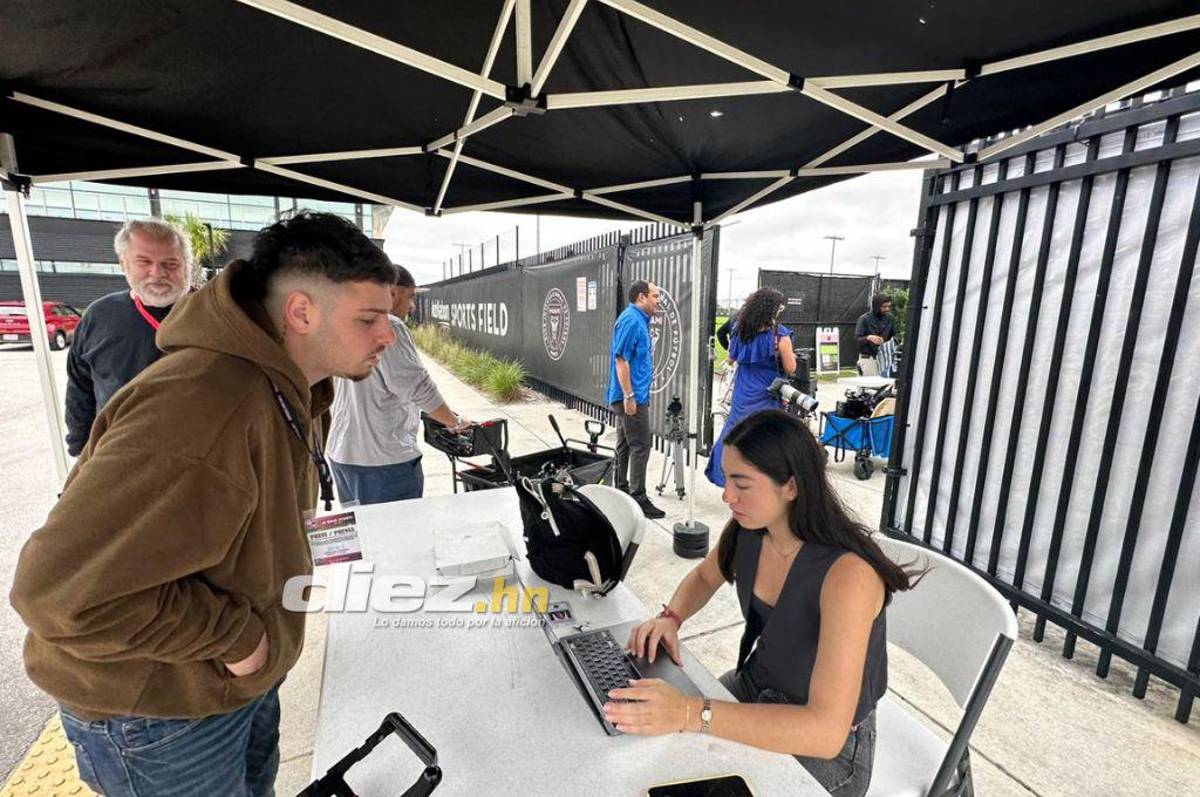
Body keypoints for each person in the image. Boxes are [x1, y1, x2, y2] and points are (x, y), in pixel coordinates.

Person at [11, 212, 397, 797]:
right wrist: (242, 641)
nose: (387, 335)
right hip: (158, 715)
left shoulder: (288, 386)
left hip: (222, 686)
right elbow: (58, 593)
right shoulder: (203, 404)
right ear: (301, 312)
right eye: (369, 318)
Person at [610, 411, 918, 797]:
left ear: (790, 486)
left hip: (830, 746)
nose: (727, 496)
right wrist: (671, 618)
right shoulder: (751, 530)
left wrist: (689, 711)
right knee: (644, 756)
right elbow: (707, 576)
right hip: (757, 687)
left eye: (742, 484)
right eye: (727, 479)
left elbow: (824, 732)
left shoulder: (848, 576)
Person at [327, 265, 468, 505]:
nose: (412, 306)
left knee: (363, 535)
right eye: (410, 296)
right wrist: (455, 422)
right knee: (398, 538)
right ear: (391, 292)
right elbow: (417, 386)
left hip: (343, 456)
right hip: (383, 462)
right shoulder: (389, 324)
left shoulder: (345, 321)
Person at [64, 218, 193, 456]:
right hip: (120, 457)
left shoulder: (216, 314)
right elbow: (80, 387)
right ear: (124, 264)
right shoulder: (99, 316)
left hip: (200, 459)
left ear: (188, 265)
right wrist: (81, 450)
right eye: (144, 262)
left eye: (171, 263)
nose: (157, 273)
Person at [705, 288, 795, 487]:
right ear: (772, 308)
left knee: (734, 430)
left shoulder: (739, 329)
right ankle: (756, 481)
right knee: (763, 436)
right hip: (767, 391)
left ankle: (725, 471)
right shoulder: (779, 334)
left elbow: (733, 356)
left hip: (743, 390)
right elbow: (791, 367)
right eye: (780, 306)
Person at [606, 279, 665, 519]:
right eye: (655, 296)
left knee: (624, 444)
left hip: (631, 395)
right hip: (630, 398)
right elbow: (622, 360)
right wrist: (630, 396)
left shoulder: (638, 319)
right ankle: (638, 497)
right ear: (641, 297)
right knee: (641, 445)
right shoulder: (631, 321)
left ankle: (620, 491)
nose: (658, 301)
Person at [854, 294, 894, 377]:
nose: (887, 309)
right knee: (870, 386)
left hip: (885, 359)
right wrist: (869, 338)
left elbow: (893, 336)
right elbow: (857, 340)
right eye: (884, 307)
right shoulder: (864, 319)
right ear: (877, 306)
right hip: (869, 359)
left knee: (885, 386)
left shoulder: (889, 318)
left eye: (889, 306)